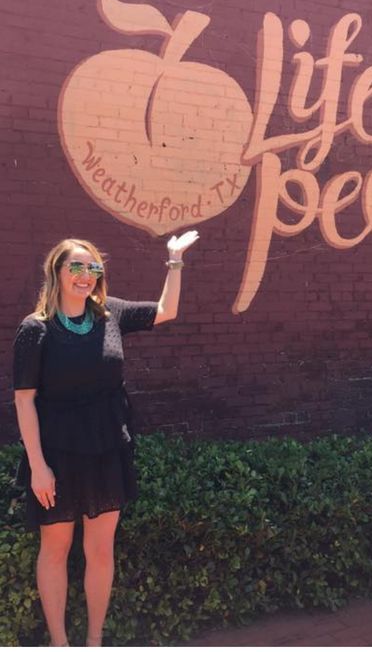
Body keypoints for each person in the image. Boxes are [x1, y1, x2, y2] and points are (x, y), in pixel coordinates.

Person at [11, 231, 199, 646]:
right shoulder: (35, 329)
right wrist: (38, 466)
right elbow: (24, 401)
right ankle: (60, 643)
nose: (85, 276)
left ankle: (95, 641)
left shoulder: (109, 314)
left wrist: (174, 260)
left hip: (107, 449)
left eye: (93, 267)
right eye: (76, 267)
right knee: (56, 549)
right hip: (57, 454)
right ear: (57, 272)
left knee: (100, 551)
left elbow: (166, 311)